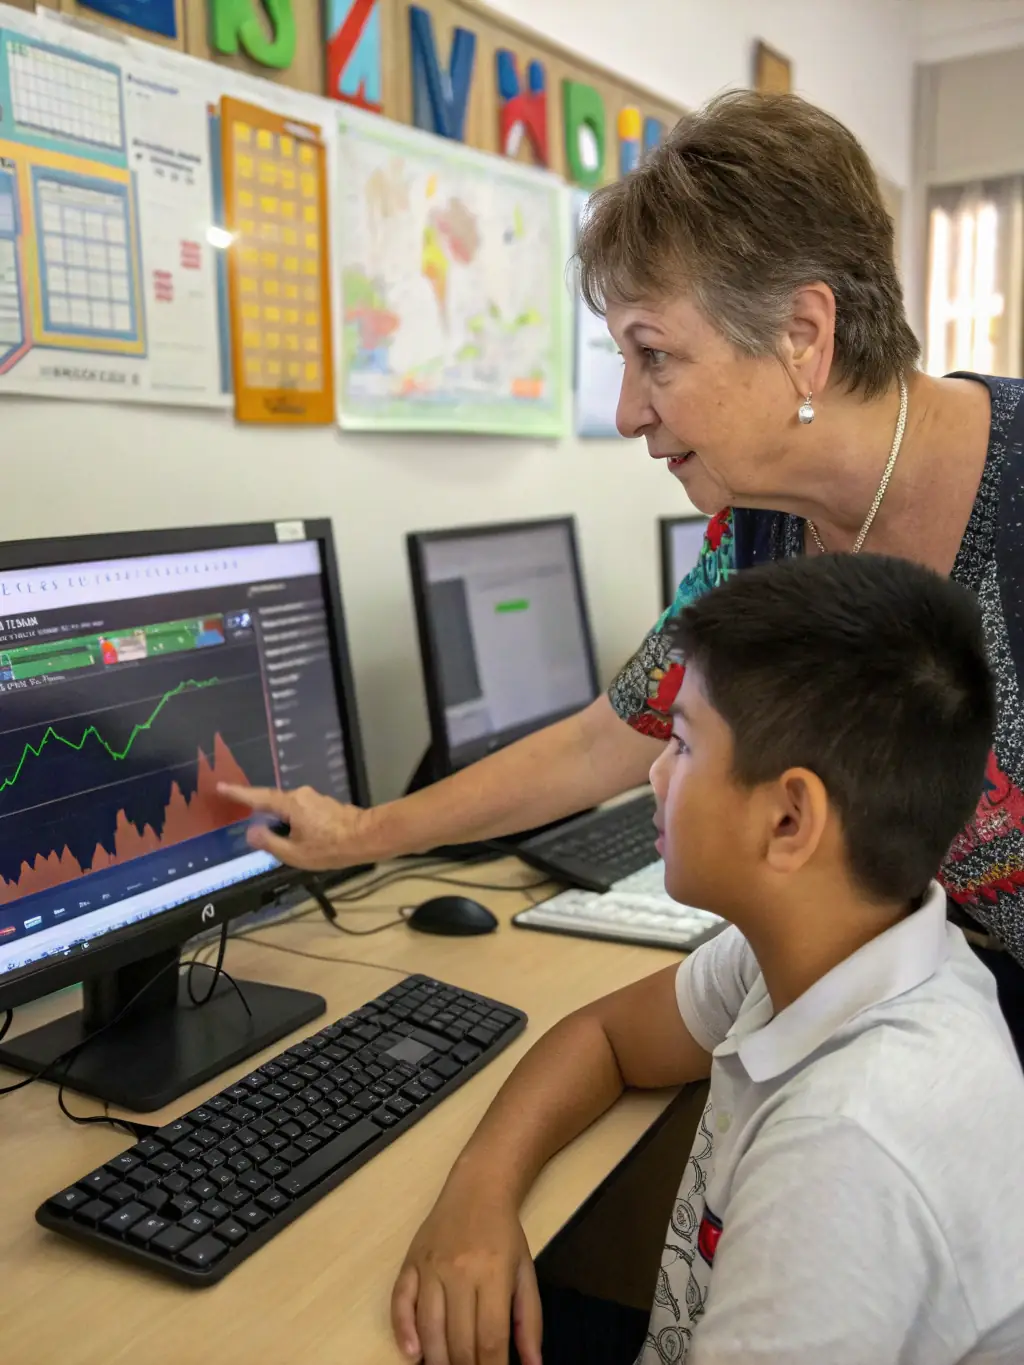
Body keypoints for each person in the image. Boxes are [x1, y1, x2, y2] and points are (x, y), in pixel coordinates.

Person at [221, 91, 1024, 1053]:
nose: (628, 408)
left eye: (653, 355)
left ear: (803, 337)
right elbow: (606, 739)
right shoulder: (760, 530)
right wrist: (364, 834)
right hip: (943, 1024)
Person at [390, 554, 1024, 1365]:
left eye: (682, 745)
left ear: (791, 820)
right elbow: (607, 1036)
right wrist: (480, 1187)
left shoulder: (845, 1151)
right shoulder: (830, 948)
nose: (653, 774)